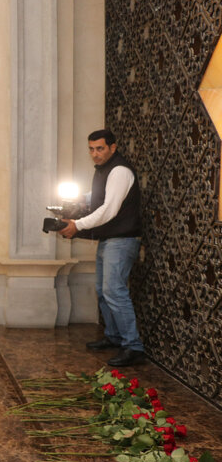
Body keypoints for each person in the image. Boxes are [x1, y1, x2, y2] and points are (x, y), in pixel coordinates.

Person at [59, 129, 145, 367]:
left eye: (100, 148)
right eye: (91, 149)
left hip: (123, 239)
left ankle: (133, 346)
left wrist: (77, 224)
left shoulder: (119, 170)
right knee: (103, 290)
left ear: (113, 147)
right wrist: (80, 200)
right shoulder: (105, 171)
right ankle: (114, 337)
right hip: (110, 239)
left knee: (115, 292)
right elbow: (99, 197)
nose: (95, 154)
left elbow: (109, 209)